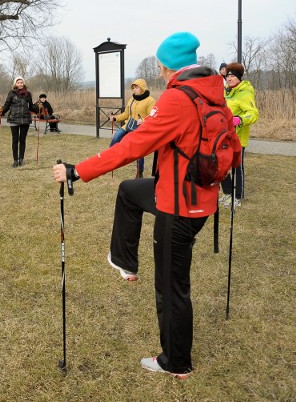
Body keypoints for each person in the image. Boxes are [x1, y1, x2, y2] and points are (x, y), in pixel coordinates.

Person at [52, 32, 239, 379]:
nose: (161, 72)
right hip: (196, 195)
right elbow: (232, 146)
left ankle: (176, 362)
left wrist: (79, 171)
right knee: (129, 190)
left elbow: (133, 145)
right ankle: (125, 261)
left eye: (161, 66)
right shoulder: (215, 94)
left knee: (172, 288)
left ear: (169, 67)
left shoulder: (177, 98)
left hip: (179, 207)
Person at [219, 62, 259, 208]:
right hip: (223, 136)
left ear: (239, 78)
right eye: (228, 75)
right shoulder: (226, 92)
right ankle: (228, 193)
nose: (229, 78)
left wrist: (240, 119)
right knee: (221, 164)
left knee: (237, 166)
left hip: (238, 138)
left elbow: (253, 114)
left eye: (232, 76)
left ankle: (238, 196)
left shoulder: (245, 93)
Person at [109, 79, 156, 178]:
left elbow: (152, 115)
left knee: (138, 151)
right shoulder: (132, 99)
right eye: (133, 88)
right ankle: (109, 162)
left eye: (137, 87)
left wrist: (143, 120)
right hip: (128, 125)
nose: (134, 89)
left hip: (140, 128)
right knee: (116, 138)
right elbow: (126, 114)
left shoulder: (150, 100)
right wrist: (116, 118)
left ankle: (139, 173)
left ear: (142, 87)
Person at [0, 76, 39, 168]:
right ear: (15, 84)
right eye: (18, 82)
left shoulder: (28, 94)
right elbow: (7, 105)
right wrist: (1, 111)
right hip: (14, 119)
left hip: (25, 119)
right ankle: (15, 160)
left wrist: (38, 109)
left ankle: (21, 159)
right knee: (15, 140)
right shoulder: (11, 93)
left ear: (23, 83)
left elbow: (31, 106)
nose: (20, 84)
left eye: (21, 82)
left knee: (23, 140)